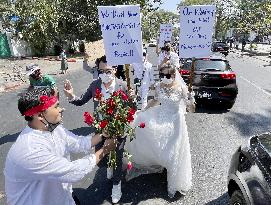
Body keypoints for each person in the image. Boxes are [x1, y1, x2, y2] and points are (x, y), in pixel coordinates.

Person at [4, 87, 117, 205]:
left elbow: (78, 143)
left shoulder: (53, 129)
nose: (61, 109)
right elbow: (73, 172)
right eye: (56, 106)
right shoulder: (29, 149)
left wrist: (103, 134)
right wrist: (105, 150)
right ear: (40, 116)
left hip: (63, 197)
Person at [63, 65, 134, 203]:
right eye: (102, 71)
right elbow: (81, 100)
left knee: (118, 157)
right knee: (102, 158)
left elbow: (132, 108)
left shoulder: (123, 85)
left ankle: (116, 185)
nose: (105, 74)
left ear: (114, 70)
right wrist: (71, 95)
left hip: (119, 127)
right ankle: (109, 166)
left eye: (108, 71)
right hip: (101, 129)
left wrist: (132, 98)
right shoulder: (95, 85)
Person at [126, 62, 194, 198]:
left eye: (167, 75)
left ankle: (173, 181)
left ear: (174, 76)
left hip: (175, 121)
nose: (164, 78)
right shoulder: (158, 86)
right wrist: (143, 110)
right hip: (160, 115)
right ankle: (160, 163)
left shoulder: (182, 88)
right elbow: (155, 101)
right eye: (162, 75)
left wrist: (191, 99)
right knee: (151, 137)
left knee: (173, 151)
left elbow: (191, 109)